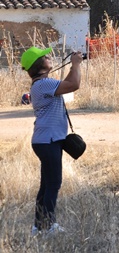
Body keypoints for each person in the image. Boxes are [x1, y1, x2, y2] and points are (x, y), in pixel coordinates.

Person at [23, 46, 84, 237]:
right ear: (39, 65)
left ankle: (38, 226)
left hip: (46, 140)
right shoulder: (43, 85)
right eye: (45, 56)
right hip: (48, 141)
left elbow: (66, 83)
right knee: (53, 184)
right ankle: (49, 226)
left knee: (46, 184)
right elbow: (73, 85)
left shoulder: (43, 84)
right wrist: (76, 65)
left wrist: (73, 67)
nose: (50, 57)